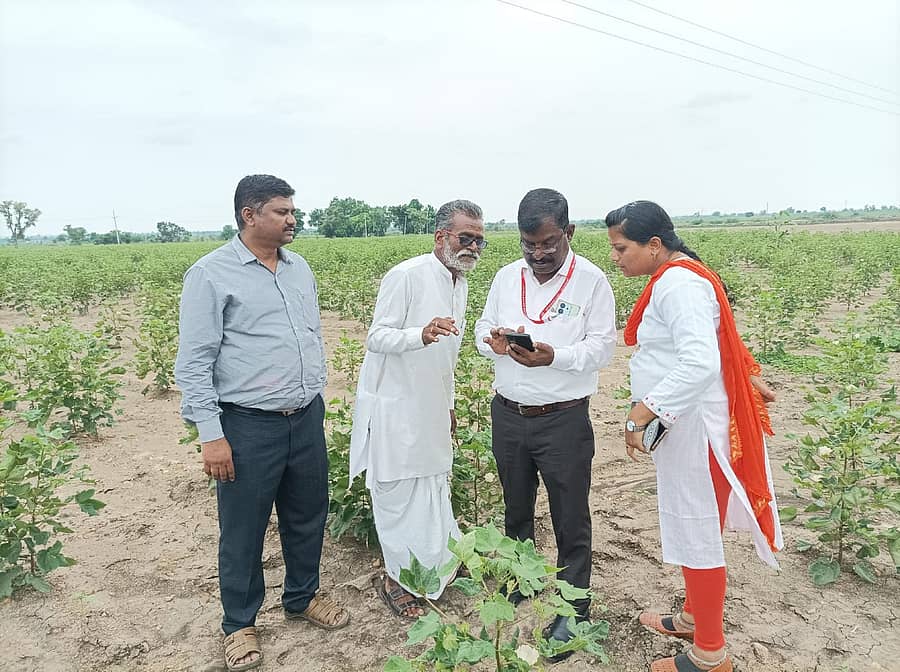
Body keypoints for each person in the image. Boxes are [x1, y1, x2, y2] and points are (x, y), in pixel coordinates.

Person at [174, 174, 349, 672]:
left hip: (305, 416)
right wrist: (212, 434)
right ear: (250, 215)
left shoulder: (299, 269)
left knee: (307, 512)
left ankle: (301, 597)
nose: (293, 219)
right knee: (243, 528)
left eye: (293, 211)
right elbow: (194, 361)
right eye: (282, 211)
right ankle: (239, 623)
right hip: (247, 424)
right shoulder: (211, 274)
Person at [605, 200, 782, 672]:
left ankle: (709, 653)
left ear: (655, 245)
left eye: (621, 248)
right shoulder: (678, 276)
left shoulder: (679, 284)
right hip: (687, 422)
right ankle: (692, 616)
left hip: (692, 429)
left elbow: (699, 362)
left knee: (694, 526)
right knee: (688, 523)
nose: (616, 258)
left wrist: (639, 414)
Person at [474, 188, 617, 659]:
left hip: (563, 419)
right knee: (516, 508)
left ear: (569, 233)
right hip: (509, 413)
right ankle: (523, 580)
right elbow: (482, 326)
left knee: (570, 515)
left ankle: (573, 609)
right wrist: (490, 341)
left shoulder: (592, 282)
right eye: (528, 244)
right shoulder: (504, 277)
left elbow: (602, 348)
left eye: (548, 243)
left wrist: (556, 357)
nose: (538, 254)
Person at [349, 200, 486, 618]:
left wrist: (447, 405)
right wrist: (419, 334)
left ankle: (435, 568)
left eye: (480, 240)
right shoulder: (406, 275)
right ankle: (396, 577)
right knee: (397, 492)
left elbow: (449, 357)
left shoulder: (459, 283)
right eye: (466, 238)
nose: (473, 247)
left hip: (430, 404)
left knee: (432, 488)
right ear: (440, 236)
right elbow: (377, 337)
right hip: (394, 406)